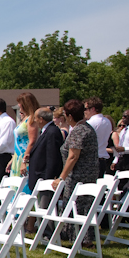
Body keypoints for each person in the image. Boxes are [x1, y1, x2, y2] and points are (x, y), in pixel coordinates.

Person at [52, 99, 100, 244]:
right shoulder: (86, 128)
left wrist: (61, 178)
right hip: (87, 173)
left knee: (77, 205)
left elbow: (73, 156)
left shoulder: (79, 131)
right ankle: (76, 235)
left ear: (70, 116)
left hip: (79, 174)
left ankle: (81, 237)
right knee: (81, 205)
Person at [27, 107, 64, 203]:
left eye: (35, 118)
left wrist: (48, 179)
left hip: (45, 177)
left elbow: (53, 157)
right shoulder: (45, 131)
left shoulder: (52, 132)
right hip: (39, 177)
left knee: (45, 207)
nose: (34, 120)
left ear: (41, 119)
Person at [9, 93, 40, 179]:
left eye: (20, 103)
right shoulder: (25, 118)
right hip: (18, 156)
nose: (19, 105)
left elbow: (32, 141)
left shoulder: (31, 119)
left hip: (25, 156)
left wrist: (24, 161)